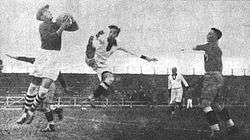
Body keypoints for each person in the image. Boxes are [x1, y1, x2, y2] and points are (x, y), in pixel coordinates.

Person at [16, 4, 78, 125]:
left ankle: (30, 112)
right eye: (47, 12)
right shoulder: (43, 26)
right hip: (44, 55)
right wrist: (62, 28)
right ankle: (25, 113)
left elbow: (75, 28)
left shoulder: (56, 24)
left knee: (43, 91)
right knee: (33, 87)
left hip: (54, 57)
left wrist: (72, 19)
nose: (50, 13)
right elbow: (50, 39)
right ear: (42, 16)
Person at [85, 25, 157, 107]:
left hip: (101, 65)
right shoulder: (103, 39)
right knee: (92, 46)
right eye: (110, 32)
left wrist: (147, 58)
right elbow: (94, 39)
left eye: (114, 33)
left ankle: (92, 98)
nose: (112, 34)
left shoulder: (118, 44)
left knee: (110, 79)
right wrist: (95, 36)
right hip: (92, 59)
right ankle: (89, 54)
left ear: (117, 35)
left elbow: (132, 51)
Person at [193, 28, 238, 137]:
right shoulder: (216, 48)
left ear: (215, 37)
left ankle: (216, 130)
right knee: (217, 104)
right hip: (218, 77)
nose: (208, 35)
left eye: (210, 34)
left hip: (211, 77)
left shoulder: (210, 46)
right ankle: (231, 126)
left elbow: (196, 47)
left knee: (205, 104)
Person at [6, 54, 64, 132]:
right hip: (40, 84)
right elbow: (26, 58)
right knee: (39, 105)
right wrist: (14, 57)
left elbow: (59, 75)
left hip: (49, 85)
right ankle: (54, 111)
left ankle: (50, 123)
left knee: (44, 107)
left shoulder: (52, 64)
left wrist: (65, 86)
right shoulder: (39, 60)